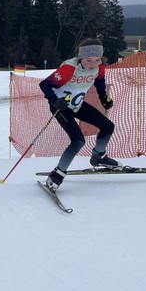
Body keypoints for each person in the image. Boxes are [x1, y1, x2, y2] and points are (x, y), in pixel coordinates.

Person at [39, 38, 117, 192]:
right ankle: (56, 175)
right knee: (78, 140)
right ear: (81, 57)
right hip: (61, 107)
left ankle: (98, 157)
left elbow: (100, 82)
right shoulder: (69, 69)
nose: (93, 64)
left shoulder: (99, 68)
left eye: (97, 60)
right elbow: (45, 85)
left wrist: (103, 98)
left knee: (108, 126)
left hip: (77, 105)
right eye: (88, 60)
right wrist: (54, 100)